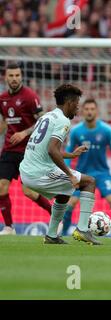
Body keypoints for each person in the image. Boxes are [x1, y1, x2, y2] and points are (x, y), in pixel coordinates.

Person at [19, 84, 102, 245]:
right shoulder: (63, 121)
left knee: (64, 192)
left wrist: (71, 154)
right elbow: (51, 150)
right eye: (76, 104)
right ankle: (83, 230)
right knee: (89, 182)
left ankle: (51, 235)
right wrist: (70, 175)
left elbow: (47, 148)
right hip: (39, 173)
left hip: (27, 171)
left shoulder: (47, 116)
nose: (77, 108)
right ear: (69, 102)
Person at [0, 63, 53, 235]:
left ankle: (56, 214)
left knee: (28, 192)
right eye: (11, 76)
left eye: (17, 75)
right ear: (6, 77)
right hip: (9, 149)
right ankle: (9, 227)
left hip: (28, 150)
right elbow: (3, 123)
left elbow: (43, 120)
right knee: (1, 187)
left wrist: (24, 133)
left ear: (21, 76)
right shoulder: (2, 98)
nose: (14, 79)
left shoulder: (30, 96)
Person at [62, 98, 111, 237]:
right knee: (70, 203)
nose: (89, 112)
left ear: (96, 111)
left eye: (92, 109)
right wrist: (67, 173)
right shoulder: (76, 131)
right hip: (82, 173)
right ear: (82, 111)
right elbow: (68, 151)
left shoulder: (107, 130)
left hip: (102, 173)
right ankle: (65, 233)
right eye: (87, 109)